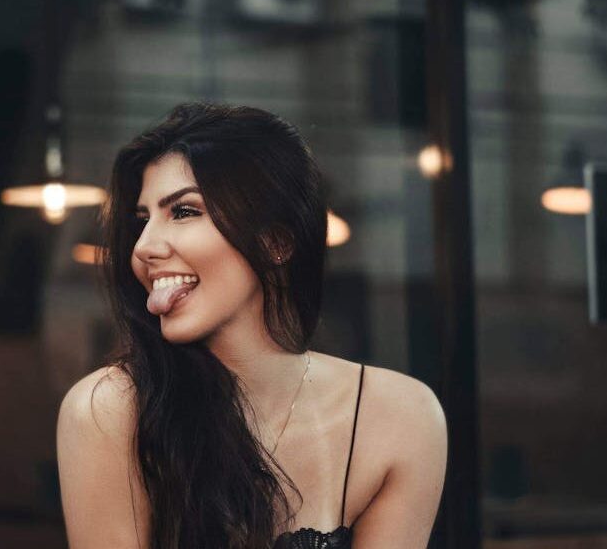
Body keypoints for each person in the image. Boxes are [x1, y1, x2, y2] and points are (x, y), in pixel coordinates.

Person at [57, 103, 447, 549]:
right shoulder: (109, 410)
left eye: (183, 211)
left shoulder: (400, 415)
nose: (144, 247)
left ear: (274, 242)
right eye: (143, 220)